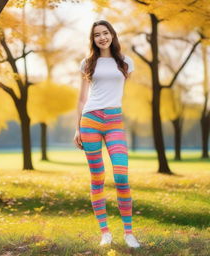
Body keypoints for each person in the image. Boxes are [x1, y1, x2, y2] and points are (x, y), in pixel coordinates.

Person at [73, 20, 141, 248]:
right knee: (97, 177)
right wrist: (77, 128)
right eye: (96, 35)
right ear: (92, 39)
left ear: (112, 34)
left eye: (105, 33)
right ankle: (105, 233)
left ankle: (129, 233)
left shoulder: (125, 62)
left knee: (121, 176)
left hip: (114, 121)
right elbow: (82, 98)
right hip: (90, 120)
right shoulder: (87, 63)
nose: (102, 37)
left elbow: (117, 91)